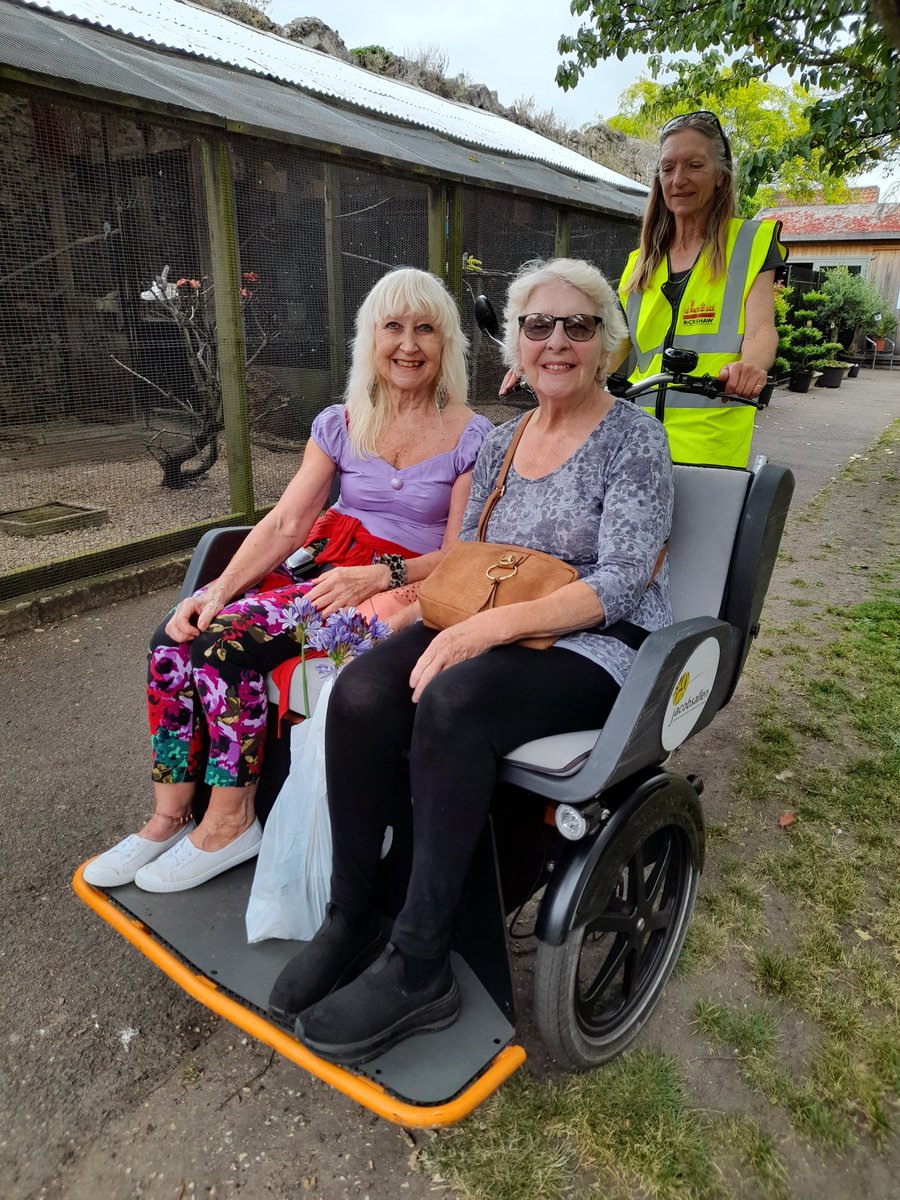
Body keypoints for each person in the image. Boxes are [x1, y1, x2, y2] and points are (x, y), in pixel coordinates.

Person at [267, 257, 675, 1063]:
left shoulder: (636, 437)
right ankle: (354, 915)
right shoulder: (506, 435)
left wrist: (480, 633)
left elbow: (624, 581)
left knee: (454, 701)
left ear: (605, 343)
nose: (556, 341)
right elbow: (462, 556)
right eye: (537, 326)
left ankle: (422, 966)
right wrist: (391, 584)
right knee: (359, 692)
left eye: (577, 325)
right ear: (516, 346)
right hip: (491, 616)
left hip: (594, 641)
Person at [84, 268, 493, 893]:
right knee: (172, 640)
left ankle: (230, 822)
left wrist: (380, 574)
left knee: (224, 646)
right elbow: (287, 520)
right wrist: (215, 589)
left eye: (424, 329)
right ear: (369, 339)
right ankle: (168, 817)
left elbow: (461, 554)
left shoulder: (472, 435)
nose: (408, 345)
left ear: (447, 343)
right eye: (393, 327)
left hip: (401, 588)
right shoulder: (341, 421)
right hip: (326, 570)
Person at [501, 112, 786, 469]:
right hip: (636, 437)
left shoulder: (750, 242)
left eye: (694, 165)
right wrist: (541, 359)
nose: (678, 179)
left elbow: (761, 330)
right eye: (668, 168)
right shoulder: (640, 263)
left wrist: (750, 367)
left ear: (720, 176)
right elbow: (620, 344)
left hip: (710, 441)